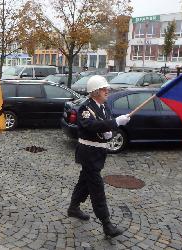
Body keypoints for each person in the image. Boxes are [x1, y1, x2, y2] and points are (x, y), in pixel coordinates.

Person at [67, 75, 131, 238]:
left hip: (99, 152)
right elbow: (91, 126)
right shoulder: (85, 109)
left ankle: (73, 207)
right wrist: (115, 123)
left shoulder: (104, 106)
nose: (107, 91)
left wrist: (111, 132)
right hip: (88, 153)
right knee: (96, 187)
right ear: (95, 92)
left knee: (84, 182)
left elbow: (105, 124)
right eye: (104, 89)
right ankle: (106, 223)